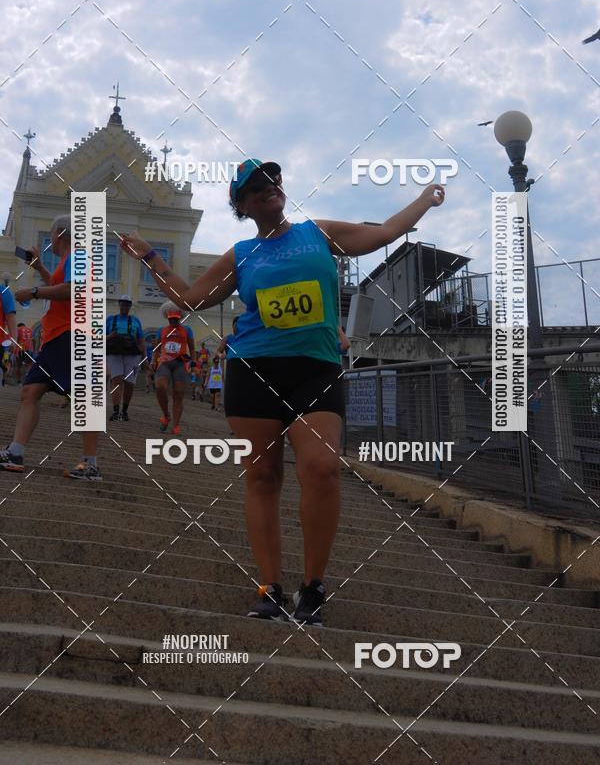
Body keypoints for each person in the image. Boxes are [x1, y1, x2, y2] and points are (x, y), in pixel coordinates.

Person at [120, 159, 444, 625]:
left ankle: (312, 586)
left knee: (322, 467)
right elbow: (190, 299)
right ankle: (270, 588)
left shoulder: (319, 232)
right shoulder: (241, 254)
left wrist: (423, 200)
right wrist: (150, 257)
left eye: (272, 180)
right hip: (253, 369)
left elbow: (384, 233)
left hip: (315, 368)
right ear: (241, 205)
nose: (268, 188)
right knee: (263, 477)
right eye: (255, 187)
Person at [0, 215, 101, 479]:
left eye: (51, 235)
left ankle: (90, 465)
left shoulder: (78, 257)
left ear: (60, 234)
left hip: (71, 335)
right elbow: (60, 285)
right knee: (30, 392)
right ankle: (15, 453)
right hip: (56, 337)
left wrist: (34, 292)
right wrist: (40, 268)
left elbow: (72, 290)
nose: (50, 241)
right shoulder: (67, 262)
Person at [152, 303, 195, 435]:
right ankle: (166, 415)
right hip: (165, 362)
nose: (174, 321)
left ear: (180, 318)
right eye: (171, 319)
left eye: (176, 319)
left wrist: (193, 363)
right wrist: (154, 360)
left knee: (179, 394)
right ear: (168, 318)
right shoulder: (162, 330)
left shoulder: (187, 330)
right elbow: (156, 347)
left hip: (180, 363)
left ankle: (175, 426)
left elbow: (192, 349)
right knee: (160, 386)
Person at [106, 294, 146, 421]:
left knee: (129, 383)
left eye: (127, 304)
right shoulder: (110, 320)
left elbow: (141, 340)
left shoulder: (135, 321)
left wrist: (145, 358)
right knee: (116, 380)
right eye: (122, 304)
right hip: (114, 354)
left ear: (130, 306)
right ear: (119, 305)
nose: (124, 306)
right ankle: (116, 410)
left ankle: (125, 410)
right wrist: (110, 336)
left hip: (132, 355)